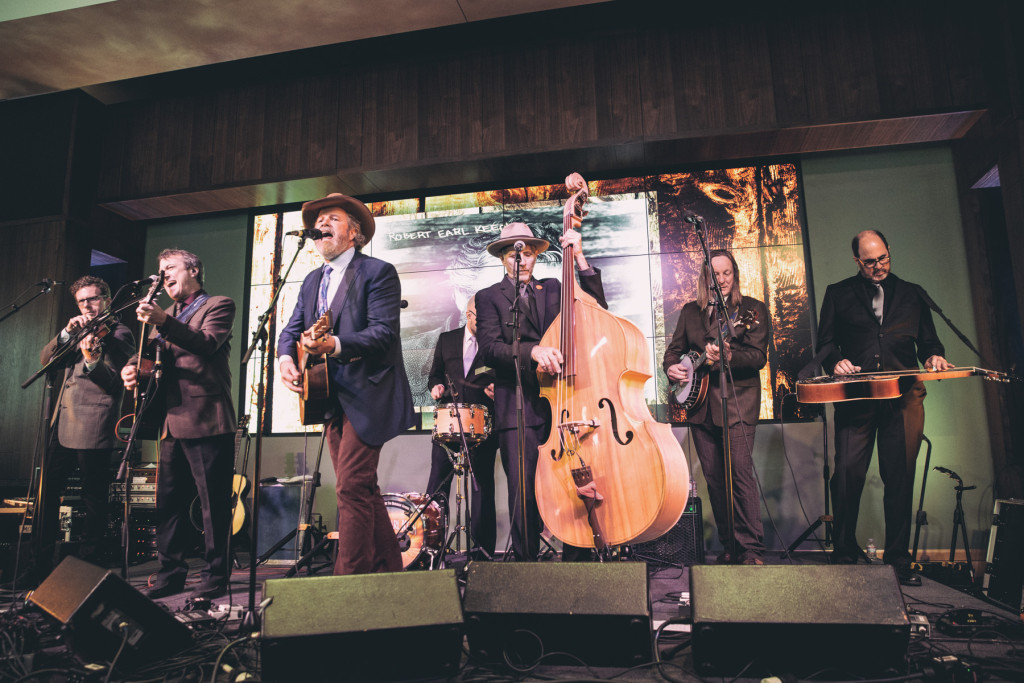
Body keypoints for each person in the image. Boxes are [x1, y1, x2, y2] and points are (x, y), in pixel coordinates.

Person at [278, 192, 415, 575]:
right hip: (326, 396)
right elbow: (290, 328)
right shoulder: (310, 280)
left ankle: (347, 582)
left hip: (368, 393)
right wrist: (287, 358)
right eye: (319, 220)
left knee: (350, 488)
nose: (322, 225)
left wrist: (334, 344)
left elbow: (383, 334)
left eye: (332, 219)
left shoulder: (377, 272)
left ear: (353, 233)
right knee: (363, 488)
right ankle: (390, 571)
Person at [816, 229, 951, 585]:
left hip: (904, 397)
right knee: (846, 474)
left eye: (884, 258)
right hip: (857, 398)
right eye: (871, 261)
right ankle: (844, 554)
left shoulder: (912, 293)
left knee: (900, 476)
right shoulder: (838, 293)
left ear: (889, 251)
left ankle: (898, 559)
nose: (879, 266)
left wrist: (935, 355)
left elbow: (929, 341)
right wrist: (837, 362)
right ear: (857, 261)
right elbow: (826, 343)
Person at [475, 220, 606, 561]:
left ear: (535, 257)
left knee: (573, 487)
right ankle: (527, 570)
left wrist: (580, 259)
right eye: (515, 254)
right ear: (504, 258)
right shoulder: (488, 297)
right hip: (517, 406)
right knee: (525, 494)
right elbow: (489, 348)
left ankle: (579, 566)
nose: (523, 260)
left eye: (530, 253)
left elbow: (598, 312)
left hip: (564, 403)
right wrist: (532, 351)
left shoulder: (555, 288)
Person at [122, 249, 237, 599]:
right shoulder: (166, 313)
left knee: (212, 505)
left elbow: (205, 343)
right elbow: (149, 354)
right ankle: (171, 573)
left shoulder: (218, 304)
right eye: (159, 271)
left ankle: (216, 578)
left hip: (207, 419)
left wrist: (162, 322)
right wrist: (132, 367)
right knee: (167, 504)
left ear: (194, 270)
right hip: (171, 420)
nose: (162, 275)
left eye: (169, 268)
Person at [663, 250, 770, 565]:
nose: (721, 280)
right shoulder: (690, 311)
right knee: (714, 480)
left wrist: (729, 356)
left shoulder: (751, 310)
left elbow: (758, 358)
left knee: (739, 476)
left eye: (727, 273)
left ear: (734, 274)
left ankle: (751, 550)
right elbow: (674, 351)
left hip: (737, 404)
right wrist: (672, 367)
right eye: (715, 275)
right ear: (705, 279)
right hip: (700, 407)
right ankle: (730, 547)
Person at [37, 276, 135, 574]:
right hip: (62, 423)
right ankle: (40, 566)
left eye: (93, 299)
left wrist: (92, 359)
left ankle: (89, 565)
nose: (88, 306)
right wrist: (66, 334)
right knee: (48, 496)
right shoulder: (76, 329)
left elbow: (115, 383)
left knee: (94, 499)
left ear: (106, 299)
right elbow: (45, 361)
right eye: (82, 301)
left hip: (94, 423)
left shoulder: (119, 333)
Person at [426, 295, 498, 559]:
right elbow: (434, 373)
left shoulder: (494, 344)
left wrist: (497, 389)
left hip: (483, 426)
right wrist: (436, 386)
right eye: (482, 318)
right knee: (437, 487)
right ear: (469, 315)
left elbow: (504, 375)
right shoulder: (447, 340)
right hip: (448, 424)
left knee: (482, 488)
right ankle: (430, 549)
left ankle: (482, 553)